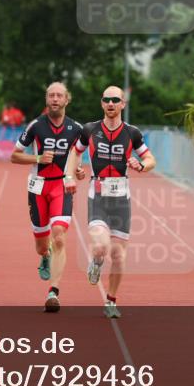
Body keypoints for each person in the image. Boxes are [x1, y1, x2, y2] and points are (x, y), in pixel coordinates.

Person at [64, 86, 155, 319]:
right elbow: (75, 152)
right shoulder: (90, 130)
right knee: (100, 247)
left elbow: (150, 158)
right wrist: (70, 175)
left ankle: (111, 301)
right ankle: (96, 261)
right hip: (98, 195)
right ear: (102, 103)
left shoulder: (132, 133)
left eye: (115, 100)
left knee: (118, 255)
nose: (111, 103)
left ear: (123, 104)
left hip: (122, 199)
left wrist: (141, 165)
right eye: (107, 100)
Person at [11, 82, 85, 312]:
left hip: (61, 186)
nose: (55, 99)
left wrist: (77, 170)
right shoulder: (35, 126)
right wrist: (38, 158)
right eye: (51, 95)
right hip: (38, 188)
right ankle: (45, 255)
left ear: (66, 100)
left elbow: (78, 155)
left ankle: (53, 291)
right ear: (46, 100)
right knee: (42, 246)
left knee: (59, 236)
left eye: (59, 95)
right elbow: (14, 156)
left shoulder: (76, 129)